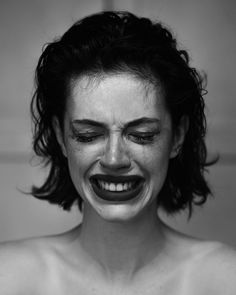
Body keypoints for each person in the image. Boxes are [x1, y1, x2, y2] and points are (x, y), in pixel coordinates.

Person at [0, 10, 235, 294]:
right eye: (88, 135)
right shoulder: (7, 276)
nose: (114, 159)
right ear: (61, 136)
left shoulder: (226, 279)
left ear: (178, 136)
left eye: (142, 135)